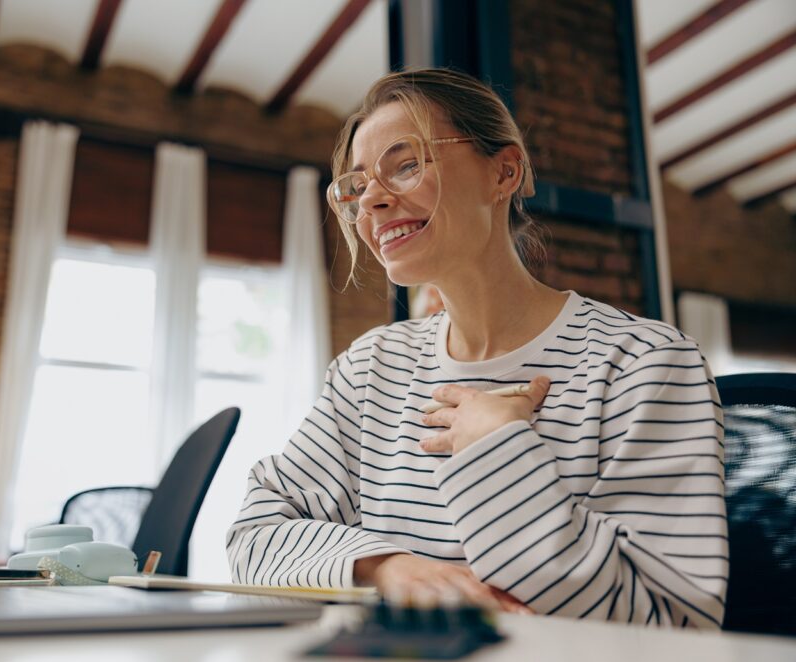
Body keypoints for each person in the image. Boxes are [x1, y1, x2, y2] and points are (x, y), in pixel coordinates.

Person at [226, 68, 726, 629]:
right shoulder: (369, 369)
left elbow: (674, 623)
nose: (372, 203)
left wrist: (497, 450)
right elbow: (255, 535)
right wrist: (386, 567)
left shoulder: (646, 364)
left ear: (504, 172)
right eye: (356, 186)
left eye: (406, 163)